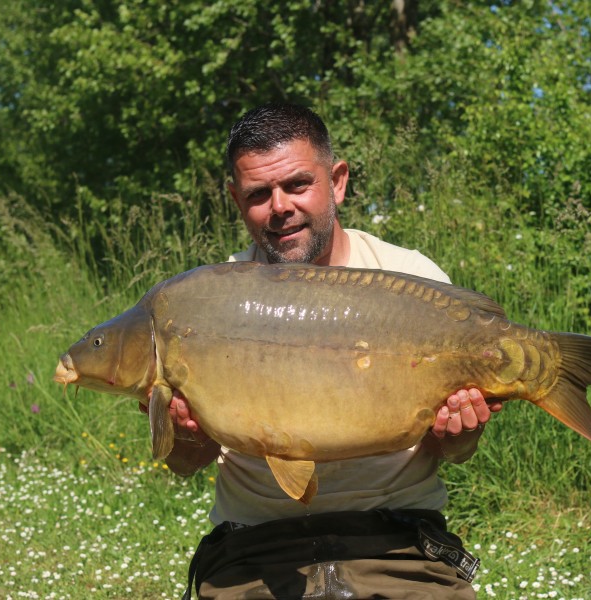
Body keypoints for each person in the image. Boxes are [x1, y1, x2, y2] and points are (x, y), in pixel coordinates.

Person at [145, 103, 502, 599]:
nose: (279, 207)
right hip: (256, 550)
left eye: (296, 185)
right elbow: (187, 463)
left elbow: (454, 451)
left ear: (336, 181)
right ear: (234, 198)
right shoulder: (208, 303)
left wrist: (462, 432)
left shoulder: (412, 279)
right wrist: (186, 435)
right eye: (257, 194)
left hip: (395, 543)